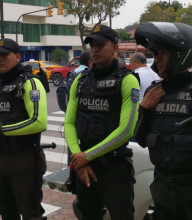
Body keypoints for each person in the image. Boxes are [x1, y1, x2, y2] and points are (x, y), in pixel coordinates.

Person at [134, 22, 192, 220]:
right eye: (155, 54)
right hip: (164, 188)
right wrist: (144, 109)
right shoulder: (153, 92)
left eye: (162, 54)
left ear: (180, 54)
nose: (156, 60)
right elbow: (141, 139)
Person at [64, 24, 140, 220]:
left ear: (114, 48)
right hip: (84, 166)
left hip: (114, 166)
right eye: (92, 45)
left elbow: (126, 130)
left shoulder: (127, 80)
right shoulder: (81, 80)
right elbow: (70, 122)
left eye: (100, 45)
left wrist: (86, 156)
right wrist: (79, 159)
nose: (95, 50)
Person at [0, 38, 48, 220]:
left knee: (31, 214)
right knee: (6, 212)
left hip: (24, 159)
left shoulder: (30, 83)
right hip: (0, 159)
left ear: (18, 57)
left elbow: (39, 122)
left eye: (4, 55)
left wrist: (1, 129)